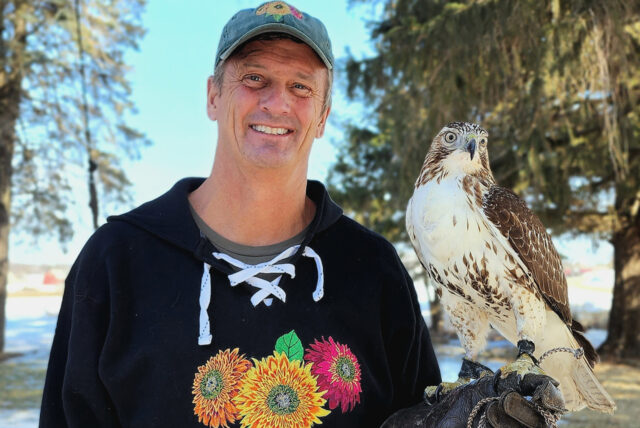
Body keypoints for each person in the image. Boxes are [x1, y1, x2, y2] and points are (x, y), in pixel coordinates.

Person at [40, 2, 562, 427]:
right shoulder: (116, 262)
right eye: (254, 77)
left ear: (323, 113)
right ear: (213, 95)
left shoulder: (372, 271)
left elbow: (415, 416)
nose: (276, 102)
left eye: (300, 86)